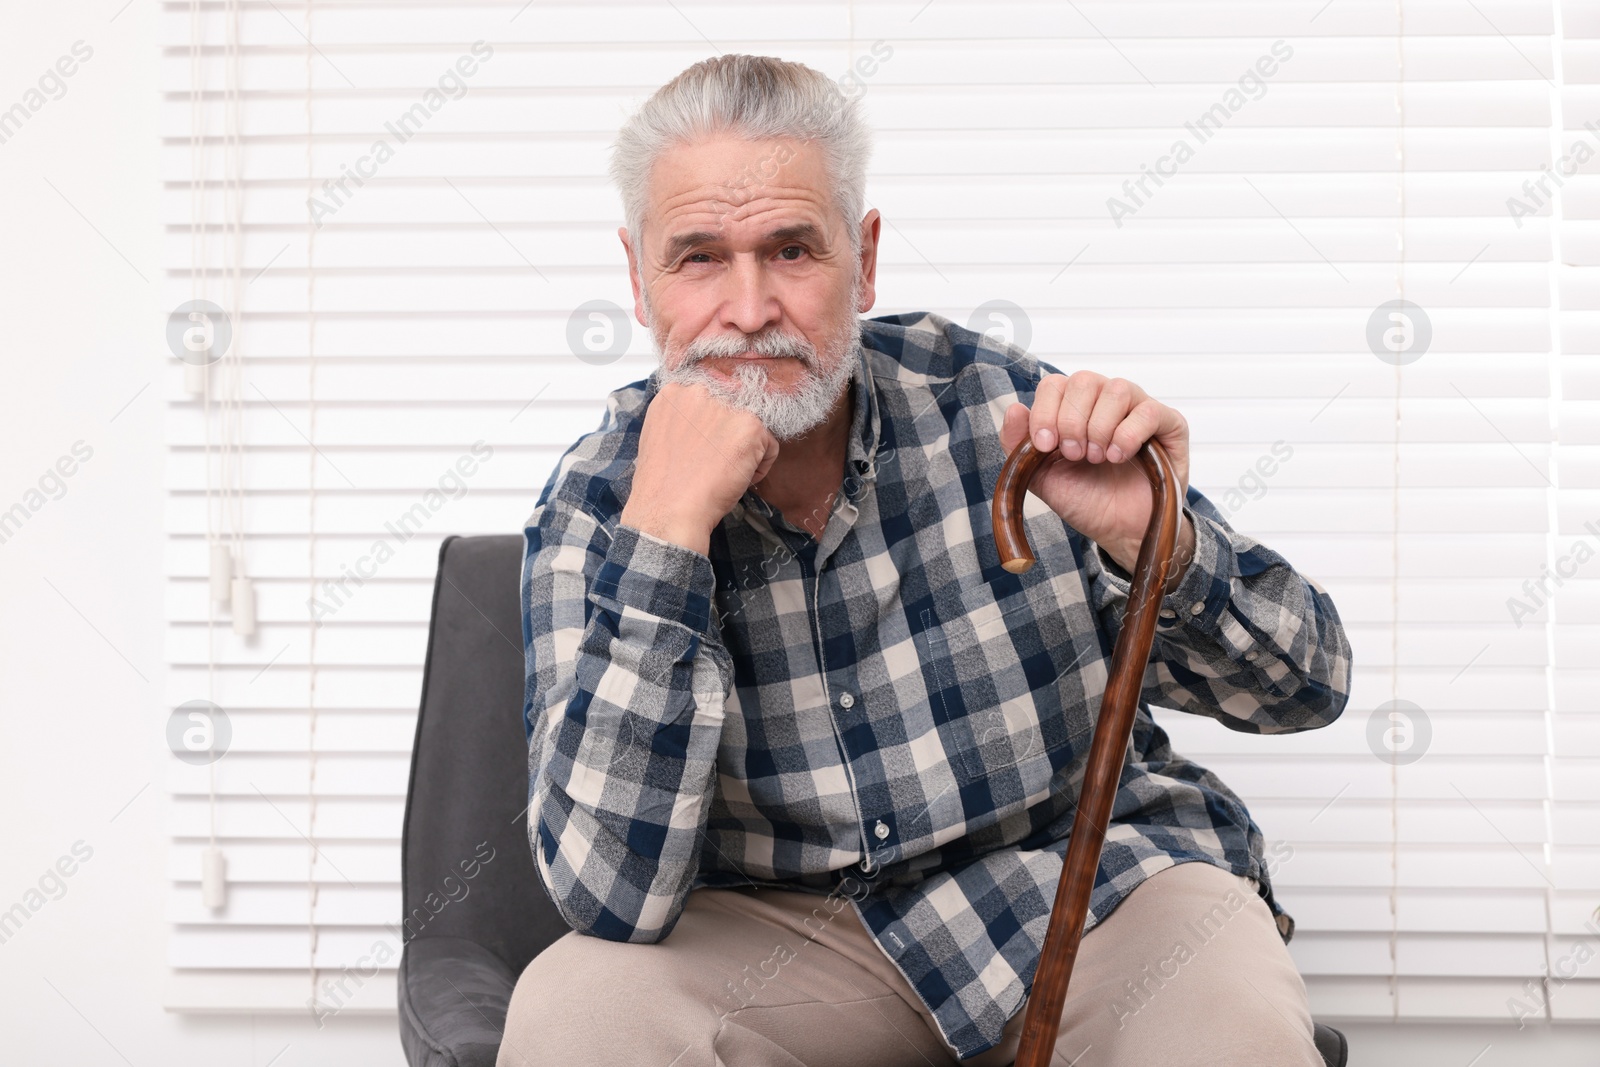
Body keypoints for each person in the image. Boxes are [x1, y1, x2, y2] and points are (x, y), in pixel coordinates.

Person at [501, 53, 1350, 1067]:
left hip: (1086, 903)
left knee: (1226, 1015)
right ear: (639, 281)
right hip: (783, 941)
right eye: (697, 258)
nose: (750, 306)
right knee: (576, 1011)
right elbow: (607, 895)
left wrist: (1144, 533)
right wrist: (669, 530)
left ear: (862, 260)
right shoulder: (597, 501)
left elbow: (1307, 686)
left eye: (790, 250)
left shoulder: (998, 408)